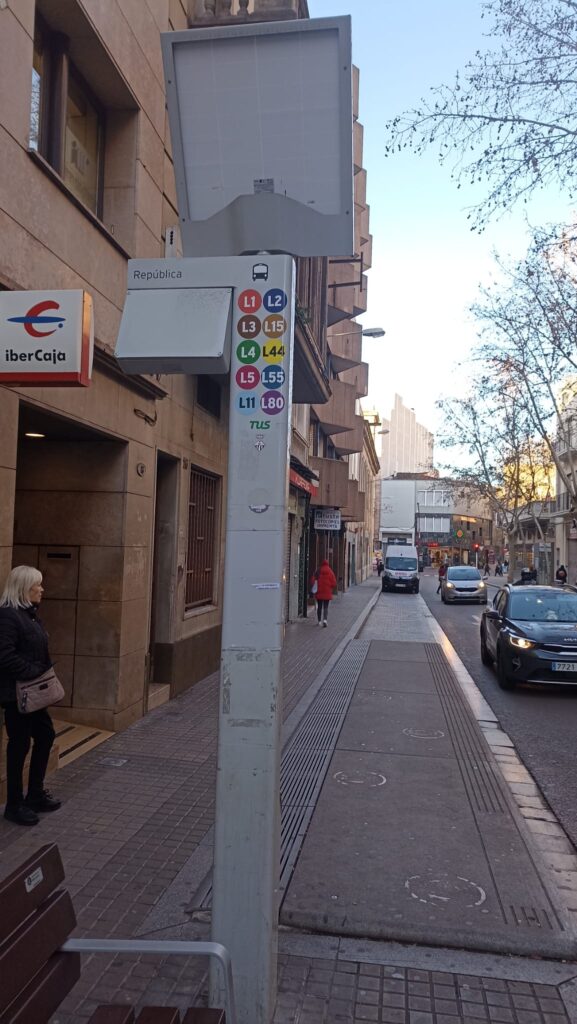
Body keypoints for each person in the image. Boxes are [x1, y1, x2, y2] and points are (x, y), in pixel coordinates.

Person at [0, 566, 61, 826]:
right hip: (16, 694)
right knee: (19, 745)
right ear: (24, 588)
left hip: (31, 693)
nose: (42, 589)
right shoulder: (8, 617)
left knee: (45, 735)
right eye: (37, 584)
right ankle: (14, 804)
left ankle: (34, 793)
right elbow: (4, 655)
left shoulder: (30, 615)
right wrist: (33, 672)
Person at [311, 559, 337, 627]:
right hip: (327, 593)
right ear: (328, 564)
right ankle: (325, 620)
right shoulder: (330, 571)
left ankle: (319, 621)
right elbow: (334, 583)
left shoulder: (318, 570)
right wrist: (330, 587)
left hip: (319, 592)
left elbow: (313, 580)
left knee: (319, 607)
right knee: (326, 607)